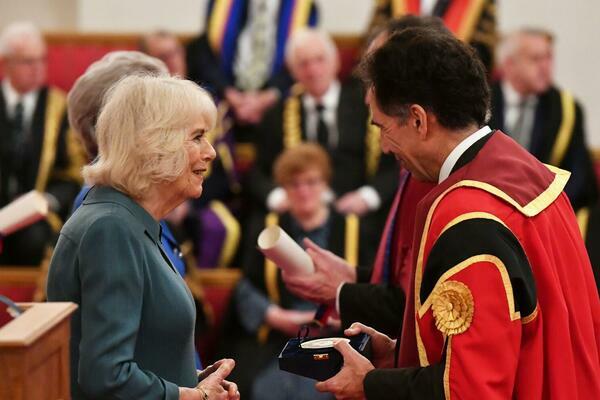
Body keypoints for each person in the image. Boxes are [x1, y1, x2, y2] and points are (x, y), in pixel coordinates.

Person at [311, 27, 600, 399]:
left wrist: (368, 384)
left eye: (382, 127)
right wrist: (399, 351)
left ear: (418, 119)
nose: (383, 147)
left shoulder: (468, 216)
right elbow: (514, 337)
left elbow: (470, 389)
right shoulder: (528, 170)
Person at [47, 75, 240, 400]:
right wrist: (195, 397)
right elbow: (106, 377)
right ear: (154, 145)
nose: (211, 152)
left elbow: (139, 356)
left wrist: (194, 382)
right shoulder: (111, 229)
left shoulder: (130, 221)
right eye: (197, 137)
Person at [282, 18, 438, 337]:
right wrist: (355, 275)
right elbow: (405, 281)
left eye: (379, 72)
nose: (369, 88)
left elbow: (417, 301)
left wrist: (341, 290)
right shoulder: (419, 166)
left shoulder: (431, 176)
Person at [220, 143, 367, 399]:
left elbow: (369, 288)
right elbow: (245, 286)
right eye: (294, 184)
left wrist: (338, 315)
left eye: (311, 182)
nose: (304, 191)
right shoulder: (267, 229)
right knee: (264, 387)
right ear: (284, 188)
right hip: (279, 335)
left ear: (325, 184)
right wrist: (275, 316)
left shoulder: (354, 230)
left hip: (336, 336)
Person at [249, 28, 398, 253]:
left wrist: (366, 198)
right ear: (292, 71)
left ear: (335, 62)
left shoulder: (367, 106)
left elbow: (394, 166)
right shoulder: (277, 114)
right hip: (297, 213)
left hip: (359, 213)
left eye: (319, 60)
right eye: (303, 63)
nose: (313, 70)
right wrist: (281, 197)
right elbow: (257, 172)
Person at [139, 32, 242, 268]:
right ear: (147, 63)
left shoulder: (209, 106)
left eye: (177, 52)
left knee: (217, 226)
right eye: (163, 55)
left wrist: (185, 201)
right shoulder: (138, 109)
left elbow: (224, 174)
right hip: (147, 199)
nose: (173, 60)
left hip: (198, 199)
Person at [0, 21, 85, 266]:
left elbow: (72, 173)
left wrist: (47, 200)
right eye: (28, 61)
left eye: (42, 60)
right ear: (6, 64)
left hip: (36, 218)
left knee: (35, 240)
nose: (37, 68)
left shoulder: (59, 108)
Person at [490, 28, 598, 211]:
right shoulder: (481, 100)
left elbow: (579, 176)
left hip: (546, 213)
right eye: (535, 59)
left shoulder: (566, 109)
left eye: (549, 57)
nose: (545, 66)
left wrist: (545, 210)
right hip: (489, 211)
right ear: (509, 65)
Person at [186, 0, 319, 128]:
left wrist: (268, 97)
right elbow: (207, 54)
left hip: (278, 102)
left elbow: (304, 61)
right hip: (228, 99)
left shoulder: (304, 6)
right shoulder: (220, 3)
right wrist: (229, 93)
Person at [368, 0, 496, 71]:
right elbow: (375, 41)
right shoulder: (392, 3)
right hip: (395, 77)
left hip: (452, 84)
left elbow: (482, 53)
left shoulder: (477, 4)